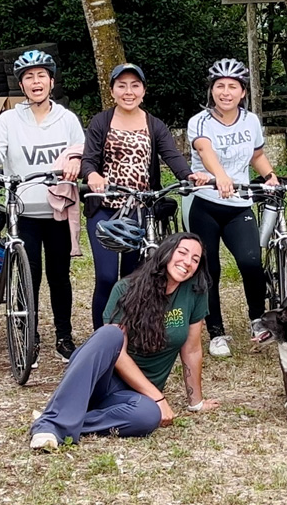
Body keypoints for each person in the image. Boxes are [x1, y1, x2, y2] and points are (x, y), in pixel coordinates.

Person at [27, 233, 219, 451]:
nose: (188, 262)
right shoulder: (127, 288)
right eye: (182, 253)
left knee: (148, 417)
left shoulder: (194, 292)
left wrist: (196, 402)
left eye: (195, 259)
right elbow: (117, 353)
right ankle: (49, 425)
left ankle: (65, 420)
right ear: (166, 252)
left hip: (133, 397)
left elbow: (192, 350)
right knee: (110, 335)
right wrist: (158, 397)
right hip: (100, 380)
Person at [0, 50, 85, 358]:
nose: (36, 81)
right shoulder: (8, 120)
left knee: (59, 275)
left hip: (57, 211)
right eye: (29, 77)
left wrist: (77, 163)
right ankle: (28, 335)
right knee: (27, 275)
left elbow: (82, 152)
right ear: (22, 85)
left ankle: (64, 337)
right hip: (23, 211)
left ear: (51, 82)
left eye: (41, 75)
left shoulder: (67, 119)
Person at [82, 63, 210, 328]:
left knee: (133, 277)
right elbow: (88, 160)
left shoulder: (155, 124)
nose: (128, 91)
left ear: (143, 91)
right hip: (105, 210)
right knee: (106, 277)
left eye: (135, 85)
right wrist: (92, 176)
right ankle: (101, 335)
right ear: (112, 91)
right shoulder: (101, 121)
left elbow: (172, 156)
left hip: (140, 211)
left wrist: (187, 176)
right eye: (122, 85)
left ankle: (128, 333)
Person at [187, 58, 279, 358]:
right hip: (207, 204)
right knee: (209, 269)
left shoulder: (250, 120)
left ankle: (257, 319)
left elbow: (257, 154)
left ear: (243, 92)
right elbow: (205, 149)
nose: (225, 92)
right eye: (219, 86)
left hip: (240, 203)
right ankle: (216, 331)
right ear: (211, 90)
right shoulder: (200, 121)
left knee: (251, 263)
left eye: (233, 87)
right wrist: (220, 176)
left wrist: (270, 176)